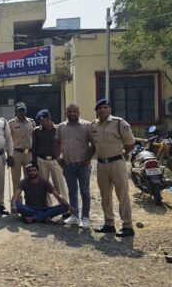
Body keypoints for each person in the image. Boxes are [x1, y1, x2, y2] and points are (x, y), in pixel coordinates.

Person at [90, 98, 136, 237]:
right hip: (101, 164)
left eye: (105, 107)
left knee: (122, 194)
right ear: (97, 111)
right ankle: (109, 223)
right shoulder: (94, 126)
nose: (102, 110)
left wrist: (124, 154)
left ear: (109, 109)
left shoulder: (119, 123)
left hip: (117, 163)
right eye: (100, 108)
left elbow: (130, 143)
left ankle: (127, 226)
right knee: (105, 195)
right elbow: (93, 145)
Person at [56, 104, 94, 229]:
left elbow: (93, 144)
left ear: (79, 112)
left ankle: (85, 218)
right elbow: (57, 142)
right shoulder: (61, 127)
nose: (72, 114)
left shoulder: (87, 126)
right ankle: (75, 216)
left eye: (74, 111)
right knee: (72, 191)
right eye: (69, 112)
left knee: (84, 191)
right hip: (68, 164)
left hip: (83, 164)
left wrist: (87, 160)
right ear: (66, 113)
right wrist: (58, 157)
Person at [10, 164, 75, 223]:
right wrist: (14, 205)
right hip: (29, 208)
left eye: (34, 170)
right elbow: (16, 194)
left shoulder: (44, 182)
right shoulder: (24, 182)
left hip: (44, 208)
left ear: (38, 171)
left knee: (64, 207)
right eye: (30, 171)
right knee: (17, 204)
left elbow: (57, 195)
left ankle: (34, 217)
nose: (32, 172)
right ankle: (43, 217)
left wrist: (69, 206)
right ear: (27, 173)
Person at [32, 109, 69, 210]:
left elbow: (64, 145)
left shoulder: (58, 129)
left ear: (49, 119)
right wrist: (34, 162)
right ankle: (47, 207)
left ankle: (64, 207)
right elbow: (34, 147)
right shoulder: (36, 131)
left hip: (55, 160)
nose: (42, 122)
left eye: (44, 120)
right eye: (40, 121)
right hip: (41, 160)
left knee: (59, 185)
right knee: (43, 185)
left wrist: (63, 158)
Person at [8, 102, 35, 202]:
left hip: (29, 153)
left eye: (23, 110)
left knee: (30, 177)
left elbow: (35, 137)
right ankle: (17, 201)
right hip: (17, 153)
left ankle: (30, 200)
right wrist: (9, 155)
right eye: (19, 110)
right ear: (16, 111)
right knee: (16, 179)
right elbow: (8, 140)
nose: (21, 112)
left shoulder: (31, 122)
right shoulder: (11, 123)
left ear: (26, 111)